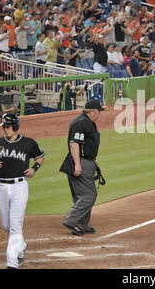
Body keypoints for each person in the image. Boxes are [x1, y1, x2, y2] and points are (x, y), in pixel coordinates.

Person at [0, 113, 45, 268]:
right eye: (3, 127)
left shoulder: (28, 143)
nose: (5, 130)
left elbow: (39, 156)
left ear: (15, 127)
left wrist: (34, 169)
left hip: (19, 187)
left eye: (8, 127)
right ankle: (21, 246)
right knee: (6, 226)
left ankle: (12, 262)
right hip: (1, 187)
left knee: (15, 226)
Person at [61, 99, 104, 236]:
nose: (99, 114)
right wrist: (78, 165)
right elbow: (74, 144)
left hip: (87, 162)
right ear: (92, 111)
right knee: (89, 195)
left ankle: (82, 224)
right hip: (80, 162)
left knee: (81, 195)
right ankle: (71, 220)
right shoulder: (81, 123)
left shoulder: (87, 122)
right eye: (98, 111)